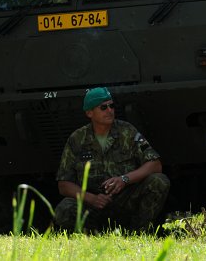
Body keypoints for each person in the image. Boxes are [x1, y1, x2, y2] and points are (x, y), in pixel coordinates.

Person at [54, 87, 170, 232]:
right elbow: (64, 184)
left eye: (111, 106)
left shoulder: (127, 131)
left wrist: (124, 179)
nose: (109, 110)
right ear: (89, 113)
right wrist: (91, 199)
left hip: (126, 200)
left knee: (159, 181)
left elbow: (155, 165)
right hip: (93, 203)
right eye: (103, 107)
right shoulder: (77, 139)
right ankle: (92, 237)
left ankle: (139, 232)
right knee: (64, 209)